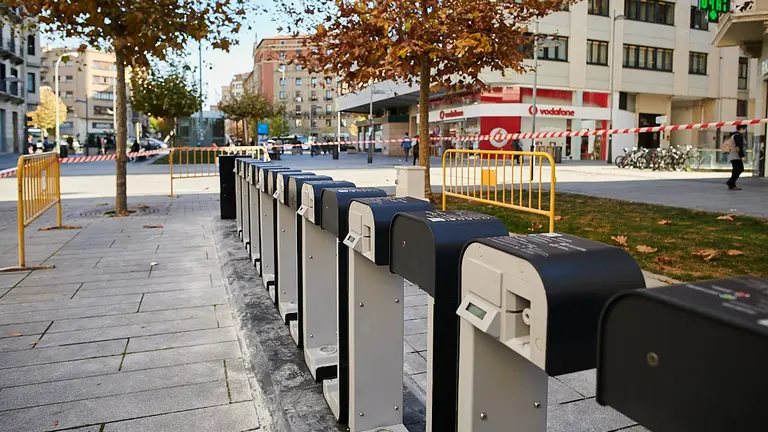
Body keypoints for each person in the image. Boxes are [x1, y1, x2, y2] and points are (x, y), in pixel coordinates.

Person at [726, 125, 747, 191]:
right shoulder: (738, 136)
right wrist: (742, 156)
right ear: (741, 129)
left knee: (736, 169)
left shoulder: (733, 135)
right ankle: (731, 182)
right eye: (744, 129)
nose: (744, 130)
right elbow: (738, 147)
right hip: (735, 155)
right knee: (740, 169)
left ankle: (732, 184)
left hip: (733, 155)